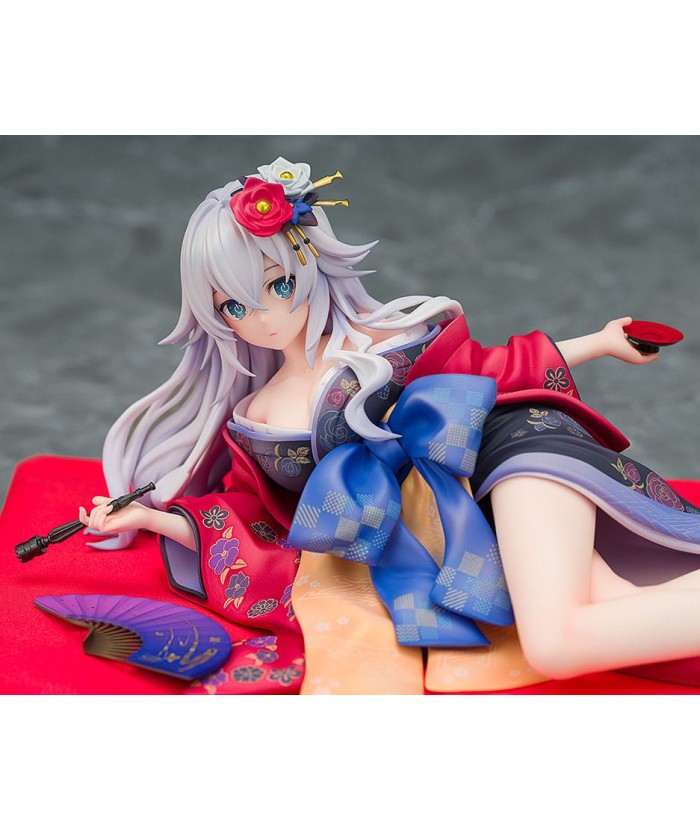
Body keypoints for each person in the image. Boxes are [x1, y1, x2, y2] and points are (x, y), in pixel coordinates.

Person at [79, 157, 700, 694]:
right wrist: (151, 519)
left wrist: (600, 341)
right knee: (616, 604)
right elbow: (254, 517)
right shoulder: (256, 413)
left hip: (508, 459)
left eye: (279, 284)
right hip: (449, 536)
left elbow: (492, 368)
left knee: (557, 642)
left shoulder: (383, 341)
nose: (264, 317)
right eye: (235, 306)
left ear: (311, 263)